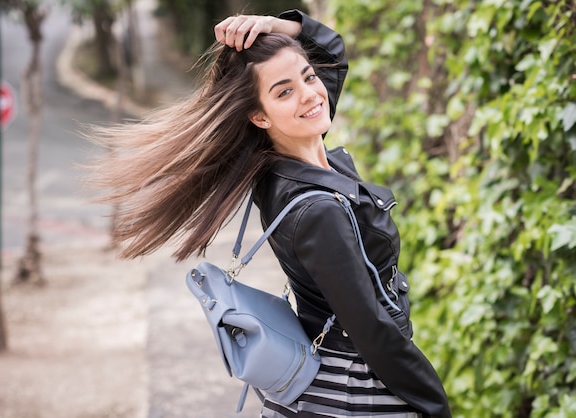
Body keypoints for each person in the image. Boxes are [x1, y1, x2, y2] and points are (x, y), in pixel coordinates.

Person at [88, 9, 451, 418]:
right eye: (284, 92)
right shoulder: (316, 209)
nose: (311, 95)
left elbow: (330, 47)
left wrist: (268, 25)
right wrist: (436, 405)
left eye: (309, 77)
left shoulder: (291, 161)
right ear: (259, 116)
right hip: (356, 390)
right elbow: (373, 333)